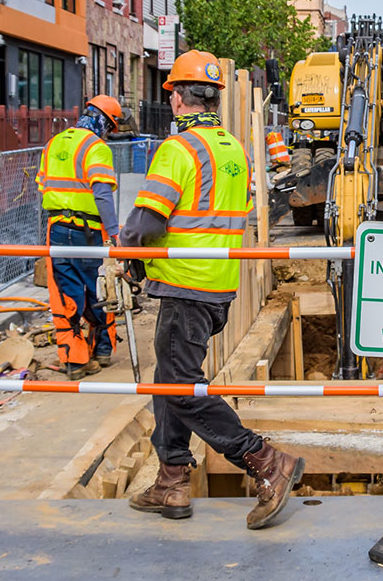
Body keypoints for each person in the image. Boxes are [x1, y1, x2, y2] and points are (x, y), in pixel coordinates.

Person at [122, 49, 305, 529]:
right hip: (218, 286)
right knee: (171, 378)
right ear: (216, 99)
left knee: (180, 386)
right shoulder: (234, 151)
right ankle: (172, 480)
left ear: (179, 97)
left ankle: (265, 460)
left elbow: (144, 223)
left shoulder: (179, 150)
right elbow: (216, 216)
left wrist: (129, 257)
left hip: (185, 284)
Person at [37, 95, 125, 378]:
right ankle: (101, 350)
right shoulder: (96, 147)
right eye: (110, 128)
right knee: (98, 289)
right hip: (88, 232)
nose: (109, 134)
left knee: (66, 294)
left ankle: (75, 360)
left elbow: (43, 186)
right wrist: (114, 232)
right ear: (105, 122)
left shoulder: (54, 143)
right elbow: (101, 193)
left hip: (57, 229)